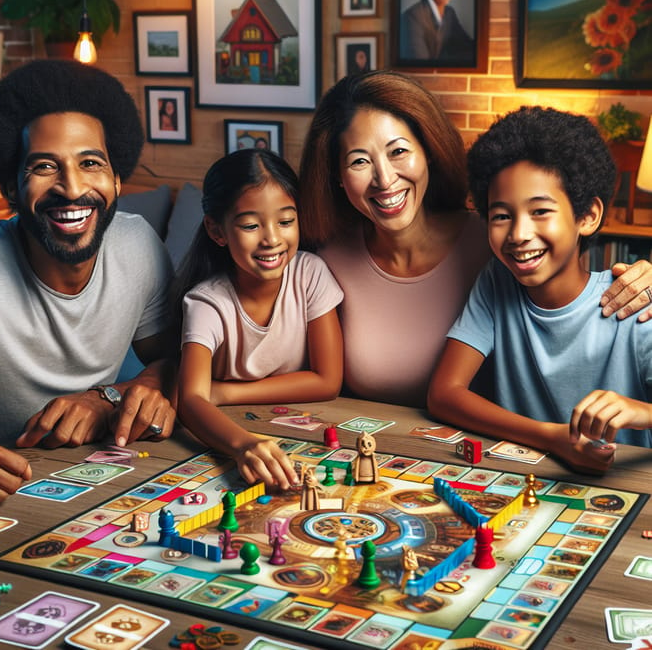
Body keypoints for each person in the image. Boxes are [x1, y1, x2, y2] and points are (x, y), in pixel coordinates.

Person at [297, 71, 652, 409]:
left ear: (428, 151)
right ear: (338, 177)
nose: (385, 179)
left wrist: (646, 277)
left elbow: (573, 305)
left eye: (399, 151)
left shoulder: (498, 247)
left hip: (486, 456)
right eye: (359, 161)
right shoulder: (321, 259)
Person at [0, 59, 176, 515]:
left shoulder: (137, 246)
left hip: (96, 497)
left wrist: (108, 397)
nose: (72, 188)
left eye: (90, 163)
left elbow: (176, 356)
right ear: (12, 189)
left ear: (116, 179)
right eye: (44, 167)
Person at [427, 106, 652, 475]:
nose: (518, 234)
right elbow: (444, 394)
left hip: (626, 488)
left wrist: (642, 412)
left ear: (587, 216)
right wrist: (550, 437)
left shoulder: (632, 302)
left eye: (540, 211)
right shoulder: (496, 281)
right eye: (501, 216)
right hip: (526, 481)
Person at [174, 148, 344, 489]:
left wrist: (224, 393)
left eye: (286, 221)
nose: (271, 239)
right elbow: (190, 400)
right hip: (227, 432)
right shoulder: (206, 302)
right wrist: (244, 445)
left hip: (297, 429)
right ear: (217, 230)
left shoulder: (310, 274)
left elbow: (328, 380)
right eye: (251, 225)